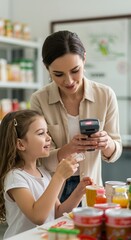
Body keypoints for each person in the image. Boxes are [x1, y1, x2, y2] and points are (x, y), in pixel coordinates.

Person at [30, 30, 122, 203]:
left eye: (75, 70)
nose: (69, 81)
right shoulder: (39, 100)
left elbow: (116, 149)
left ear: (84, 59)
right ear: (46, 68)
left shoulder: (105, 95)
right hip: (53, 190)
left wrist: (107, 143)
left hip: (92, 188)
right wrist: (68, 149)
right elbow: (37, 158)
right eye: (58, 74)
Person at [0, 109, 93, 239]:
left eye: (47, 132)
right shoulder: (15, 178)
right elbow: (38, 217)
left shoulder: (43, 171)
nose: (48, 137)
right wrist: (59, 176)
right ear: (21, 144)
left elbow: (58, 213)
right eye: (41, 133)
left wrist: (79, 192)